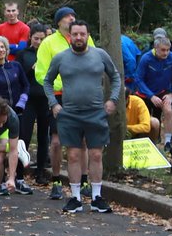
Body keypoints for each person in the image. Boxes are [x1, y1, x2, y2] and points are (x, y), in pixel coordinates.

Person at [43, 21, 120, 215]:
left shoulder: (99, 55)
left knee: (95, 154)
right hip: (69, 114)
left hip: (96, 112)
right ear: (69, 36)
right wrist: (54, 103)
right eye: (75, 34)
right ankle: (75, 198)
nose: (79, 38)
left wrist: (113, 100)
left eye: (82, 34)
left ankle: (96, 197)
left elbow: (116, 77)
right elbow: (47, 81)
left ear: (87, 35)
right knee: (74, 155)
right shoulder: (61, 58)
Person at [35, 6, 93, 200]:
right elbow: (41, 73)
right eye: (67, 17)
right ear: (59, 22)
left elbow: (93, 63)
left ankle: (84, 180)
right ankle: (57, 179)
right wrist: (62, 85)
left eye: (73, 16)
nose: (71, 19)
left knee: (83, 140)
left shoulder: (84, 38)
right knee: (57, 141)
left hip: (81, 96)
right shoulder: (48, 43)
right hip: (58, 96)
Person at [0, 34, 33, 194]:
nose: (1, 50)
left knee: (20, 146)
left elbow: (26, 85)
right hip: (1, 115)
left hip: (20, 111)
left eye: (3, 47)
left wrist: (22, 101)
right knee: (1, 147)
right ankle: (1, 181)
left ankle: (20, 179)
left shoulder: (16, 66)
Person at [134, 36, 172, 150]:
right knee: (147, 118)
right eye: (163, 50)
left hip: (164, 91)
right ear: (156, 48)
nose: (166, 53)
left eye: (168, 50)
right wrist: (151, 96)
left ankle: (167, 142)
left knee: (168, 109)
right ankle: (146, 141)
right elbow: (138, 79)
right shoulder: (146, 58)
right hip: (145, 92)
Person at [17, 24, 51, 183]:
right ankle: (18, 172)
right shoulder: (23, 54)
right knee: (25, 135)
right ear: (30, 37)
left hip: (45, 97)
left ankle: (40, 172)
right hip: (29, 98)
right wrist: (32, 69)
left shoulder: (50, 54)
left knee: (44, 135)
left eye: (42, 39)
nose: (38, 41)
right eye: (36, 38)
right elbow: (19, 76)